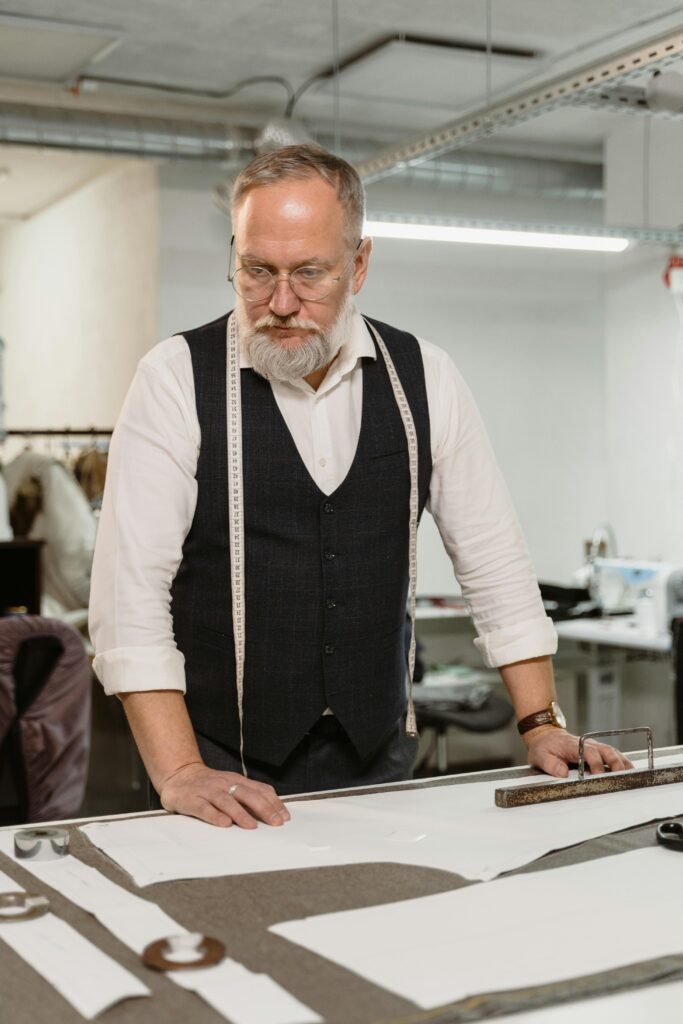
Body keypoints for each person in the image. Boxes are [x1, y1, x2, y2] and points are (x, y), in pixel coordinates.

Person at [89, 144, 631, 830]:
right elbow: (130, 596)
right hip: (217, 765)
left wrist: (540, 723)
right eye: (257, 271)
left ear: (360, 264)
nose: (280, 303)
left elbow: (494, 562)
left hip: (379, 762)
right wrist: (178, 770)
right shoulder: (174, 378)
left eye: (309, 273)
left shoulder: (426, 377)